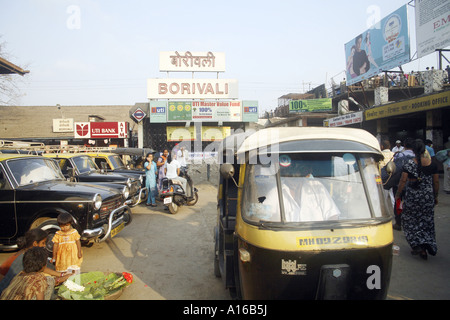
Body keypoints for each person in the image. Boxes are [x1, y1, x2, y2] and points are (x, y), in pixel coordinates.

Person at [395, 139, 439, 260]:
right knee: (427, 221)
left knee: (410, 221)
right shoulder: (432, 164)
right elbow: (436, 182)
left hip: (412, 198)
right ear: (424, 150)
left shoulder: (409, 164)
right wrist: (435, 196)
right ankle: (426, 244)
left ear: (413, 150)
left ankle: (417, 244)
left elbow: (403, 181)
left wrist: (398, 195)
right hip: (427, 197)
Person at [0, 228, 68, 295]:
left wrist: (60, 274)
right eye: (43, 243)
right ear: (35, 243)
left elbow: (41, 267)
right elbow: (40, 272)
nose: (44, 246)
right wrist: (60, 278)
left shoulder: (26, 253)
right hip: (8, 292)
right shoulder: (26, 257)